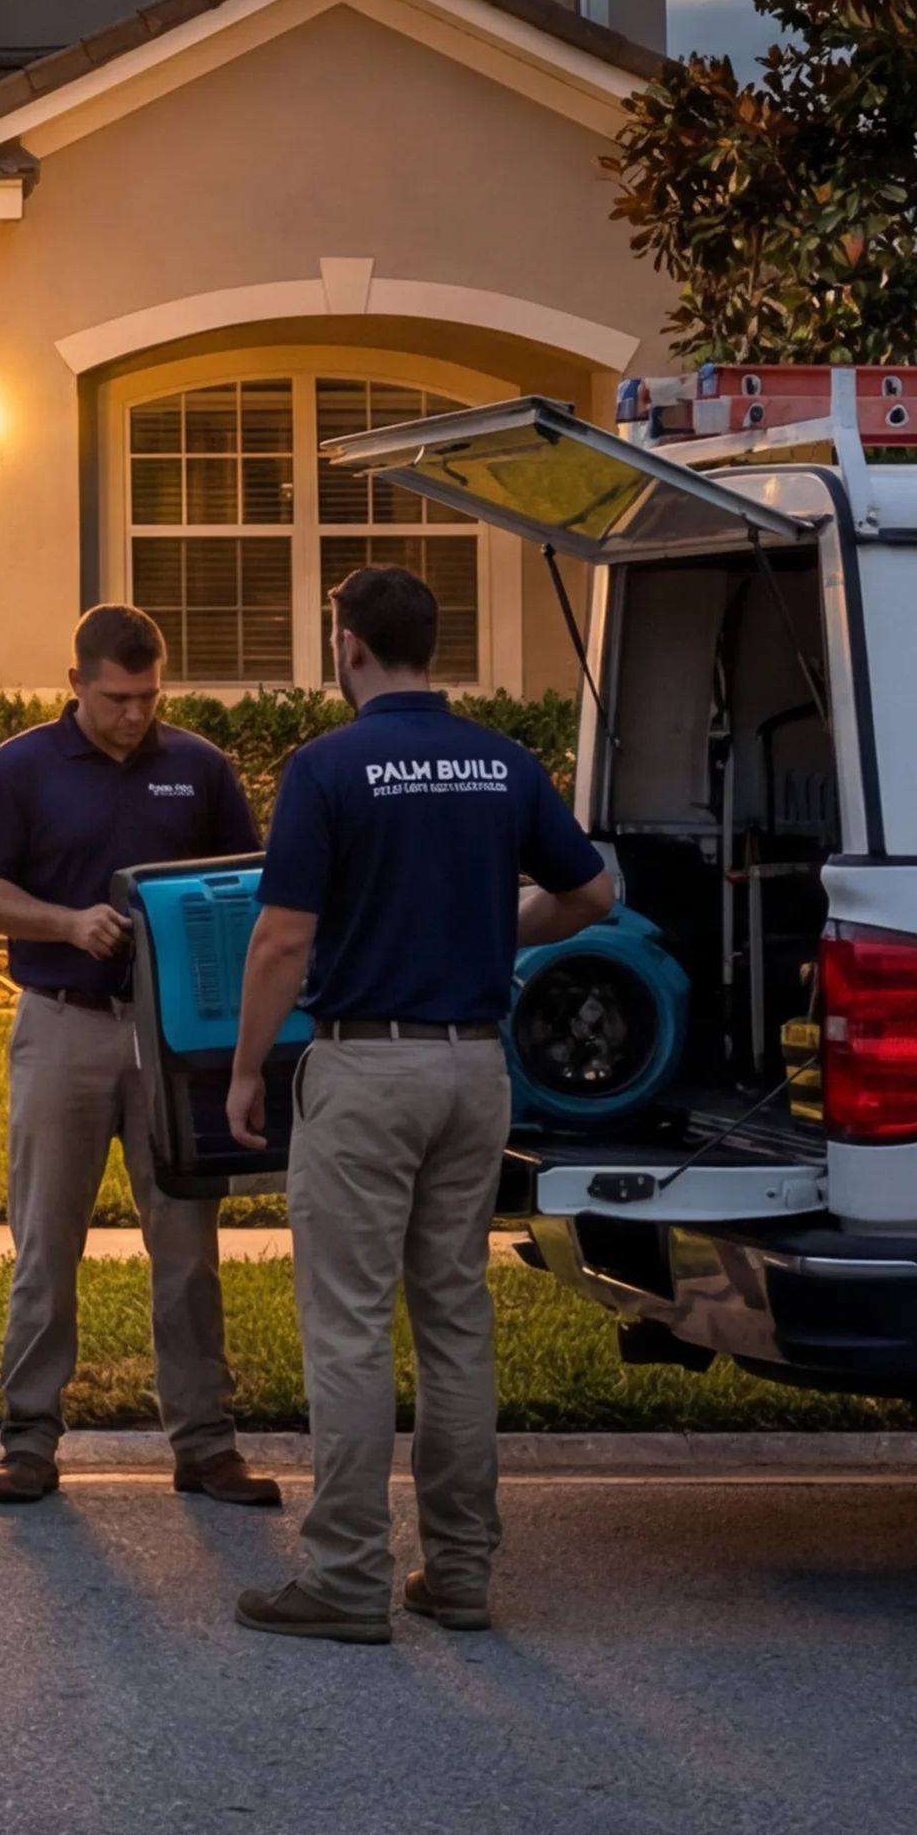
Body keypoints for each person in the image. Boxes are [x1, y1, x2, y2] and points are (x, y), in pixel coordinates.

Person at [222, 564, 618, 1643]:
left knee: (347, 1327)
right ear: (427, 647)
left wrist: (247, 1066)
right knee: (452, 1320)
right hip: (472, 1070)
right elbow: (591, 893)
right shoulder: (500, 762)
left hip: (365, 1067)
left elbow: (282, 936)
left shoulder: (325, 766)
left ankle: (346, 1575)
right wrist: (502, 933)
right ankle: (459, 1572)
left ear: (343, 642)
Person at [0, 603, 276, 1511]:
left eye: (149, 696)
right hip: (64, 1022)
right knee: (46, 1236)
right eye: (117, 698)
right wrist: (66, 921)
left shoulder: (198, 768)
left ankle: (205, 1443)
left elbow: (245, 885)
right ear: (76, 685)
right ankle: (28, 1439)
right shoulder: (20, 768)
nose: (135, 715)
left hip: (172, 1037)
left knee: (187, 1240)